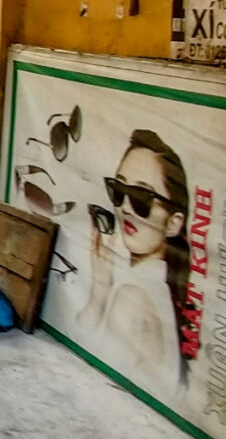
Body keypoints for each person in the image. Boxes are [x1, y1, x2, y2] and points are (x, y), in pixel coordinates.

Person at [79, 129, 193, 389]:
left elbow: (93, 381)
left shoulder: (134, 297)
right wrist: (100, 286)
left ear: (174, 223)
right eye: (119, 190)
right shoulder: (157, 289)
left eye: (142, 198)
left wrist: (99, 294)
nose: (125, 208)